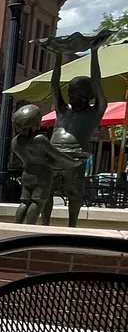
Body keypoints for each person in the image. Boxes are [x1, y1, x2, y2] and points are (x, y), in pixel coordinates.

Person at [48, 35, 107, 227]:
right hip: (52, 155)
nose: (74, 99)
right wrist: (58, 56)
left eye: (81, 96)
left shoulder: (94, 112)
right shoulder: (62, 110)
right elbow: (54, 84)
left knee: (75, 193)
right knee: (46, 191)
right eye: (72, 94)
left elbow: (97, 82)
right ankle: (44, 223)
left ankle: (72, 225)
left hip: (75, 158)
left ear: (89, 97)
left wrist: (94, 53)